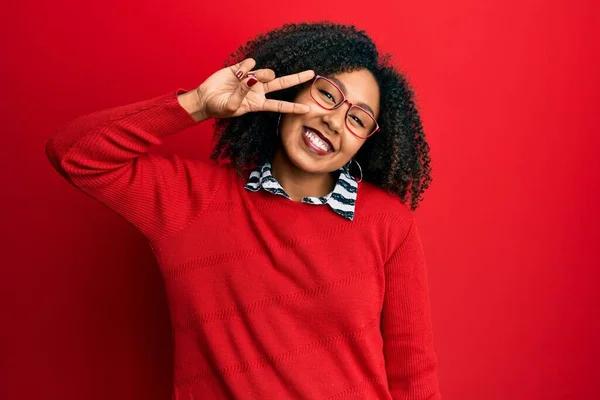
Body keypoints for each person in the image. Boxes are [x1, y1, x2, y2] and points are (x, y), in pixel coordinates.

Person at [46, 22, 441, 399]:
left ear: (365, 143)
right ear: (293, 90)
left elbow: (413, 374)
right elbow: (75, 154)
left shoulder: (387, 223)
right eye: (327, 94)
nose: (334, 121)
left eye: (357, 119)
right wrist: (197, 104)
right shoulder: (191, 200)